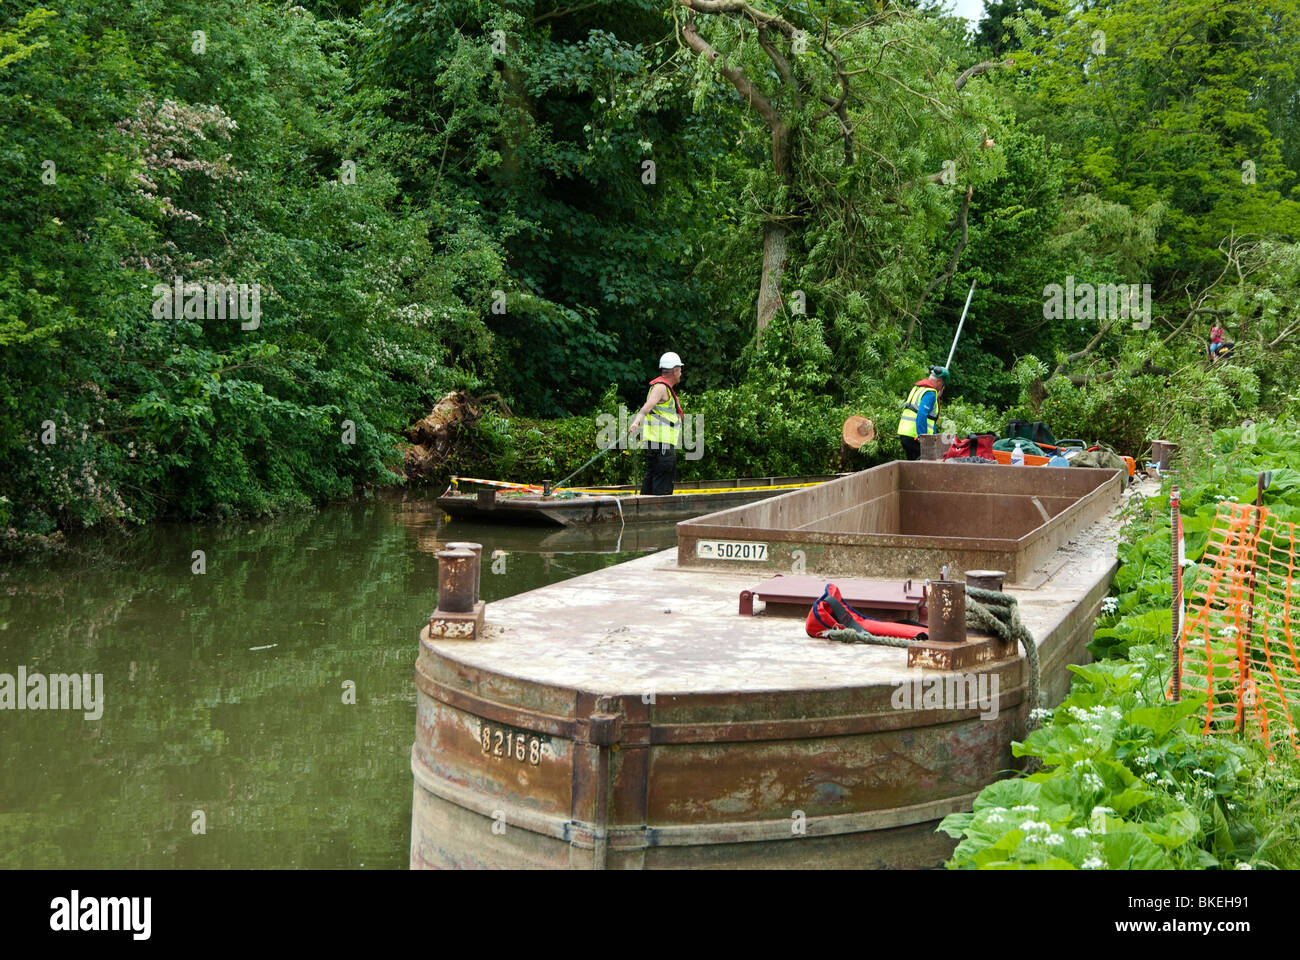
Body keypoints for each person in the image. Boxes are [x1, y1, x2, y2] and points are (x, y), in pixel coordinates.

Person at [628, 352, 684, 495]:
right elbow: (647, 407)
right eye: (680, 369)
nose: (681, 373)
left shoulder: (663, 388)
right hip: (662, 447)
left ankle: (643, 513)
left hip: (658, 446)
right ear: (674, 370)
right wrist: (636, 422)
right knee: (662, 488)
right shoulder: (661, 388)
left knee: (651, 483)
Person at [896, 365, 948, 461]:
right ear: (938, 382)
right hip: (915, 436)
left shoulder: (920, 388)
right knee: (928, 463)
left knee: (913, 466)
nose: (942, 388)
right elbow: (922, 414)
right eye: (942, 385)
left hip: (905, 434)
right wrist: (922, 436)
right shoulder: (930, 394)